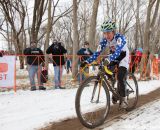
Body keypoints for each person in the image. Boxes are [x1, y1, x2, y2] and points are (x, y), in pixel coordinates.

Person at [80, 19, 129, 109]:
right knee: (105, 70)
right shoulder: (104, 40)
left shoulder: (119, 38)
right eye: (104, 33)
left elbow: (118, 52)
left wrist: (109, 59)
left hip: (123, 55)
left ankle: (124, 98)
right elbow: (97, 53)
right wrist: (87, 61)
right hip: (113, 55)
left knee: (121, 76)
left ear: (113, 31)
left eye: (108, 33)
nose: (106, 35)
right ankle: (114, 85)